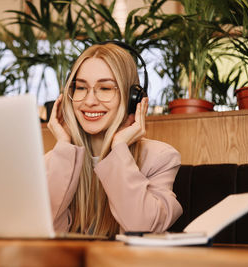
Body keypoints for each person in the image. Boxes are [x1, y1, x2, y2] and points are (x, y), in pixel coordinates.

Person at [45, 42, 182, 238]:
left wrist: (119, 148)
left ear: (131, 99)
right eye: (81, 87)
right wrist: (64, 147)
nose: (90, 101)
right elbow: (44, 234)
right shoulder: (54, 161)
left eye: (106, 88)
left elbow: (141, 228)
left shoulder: (160, 158)